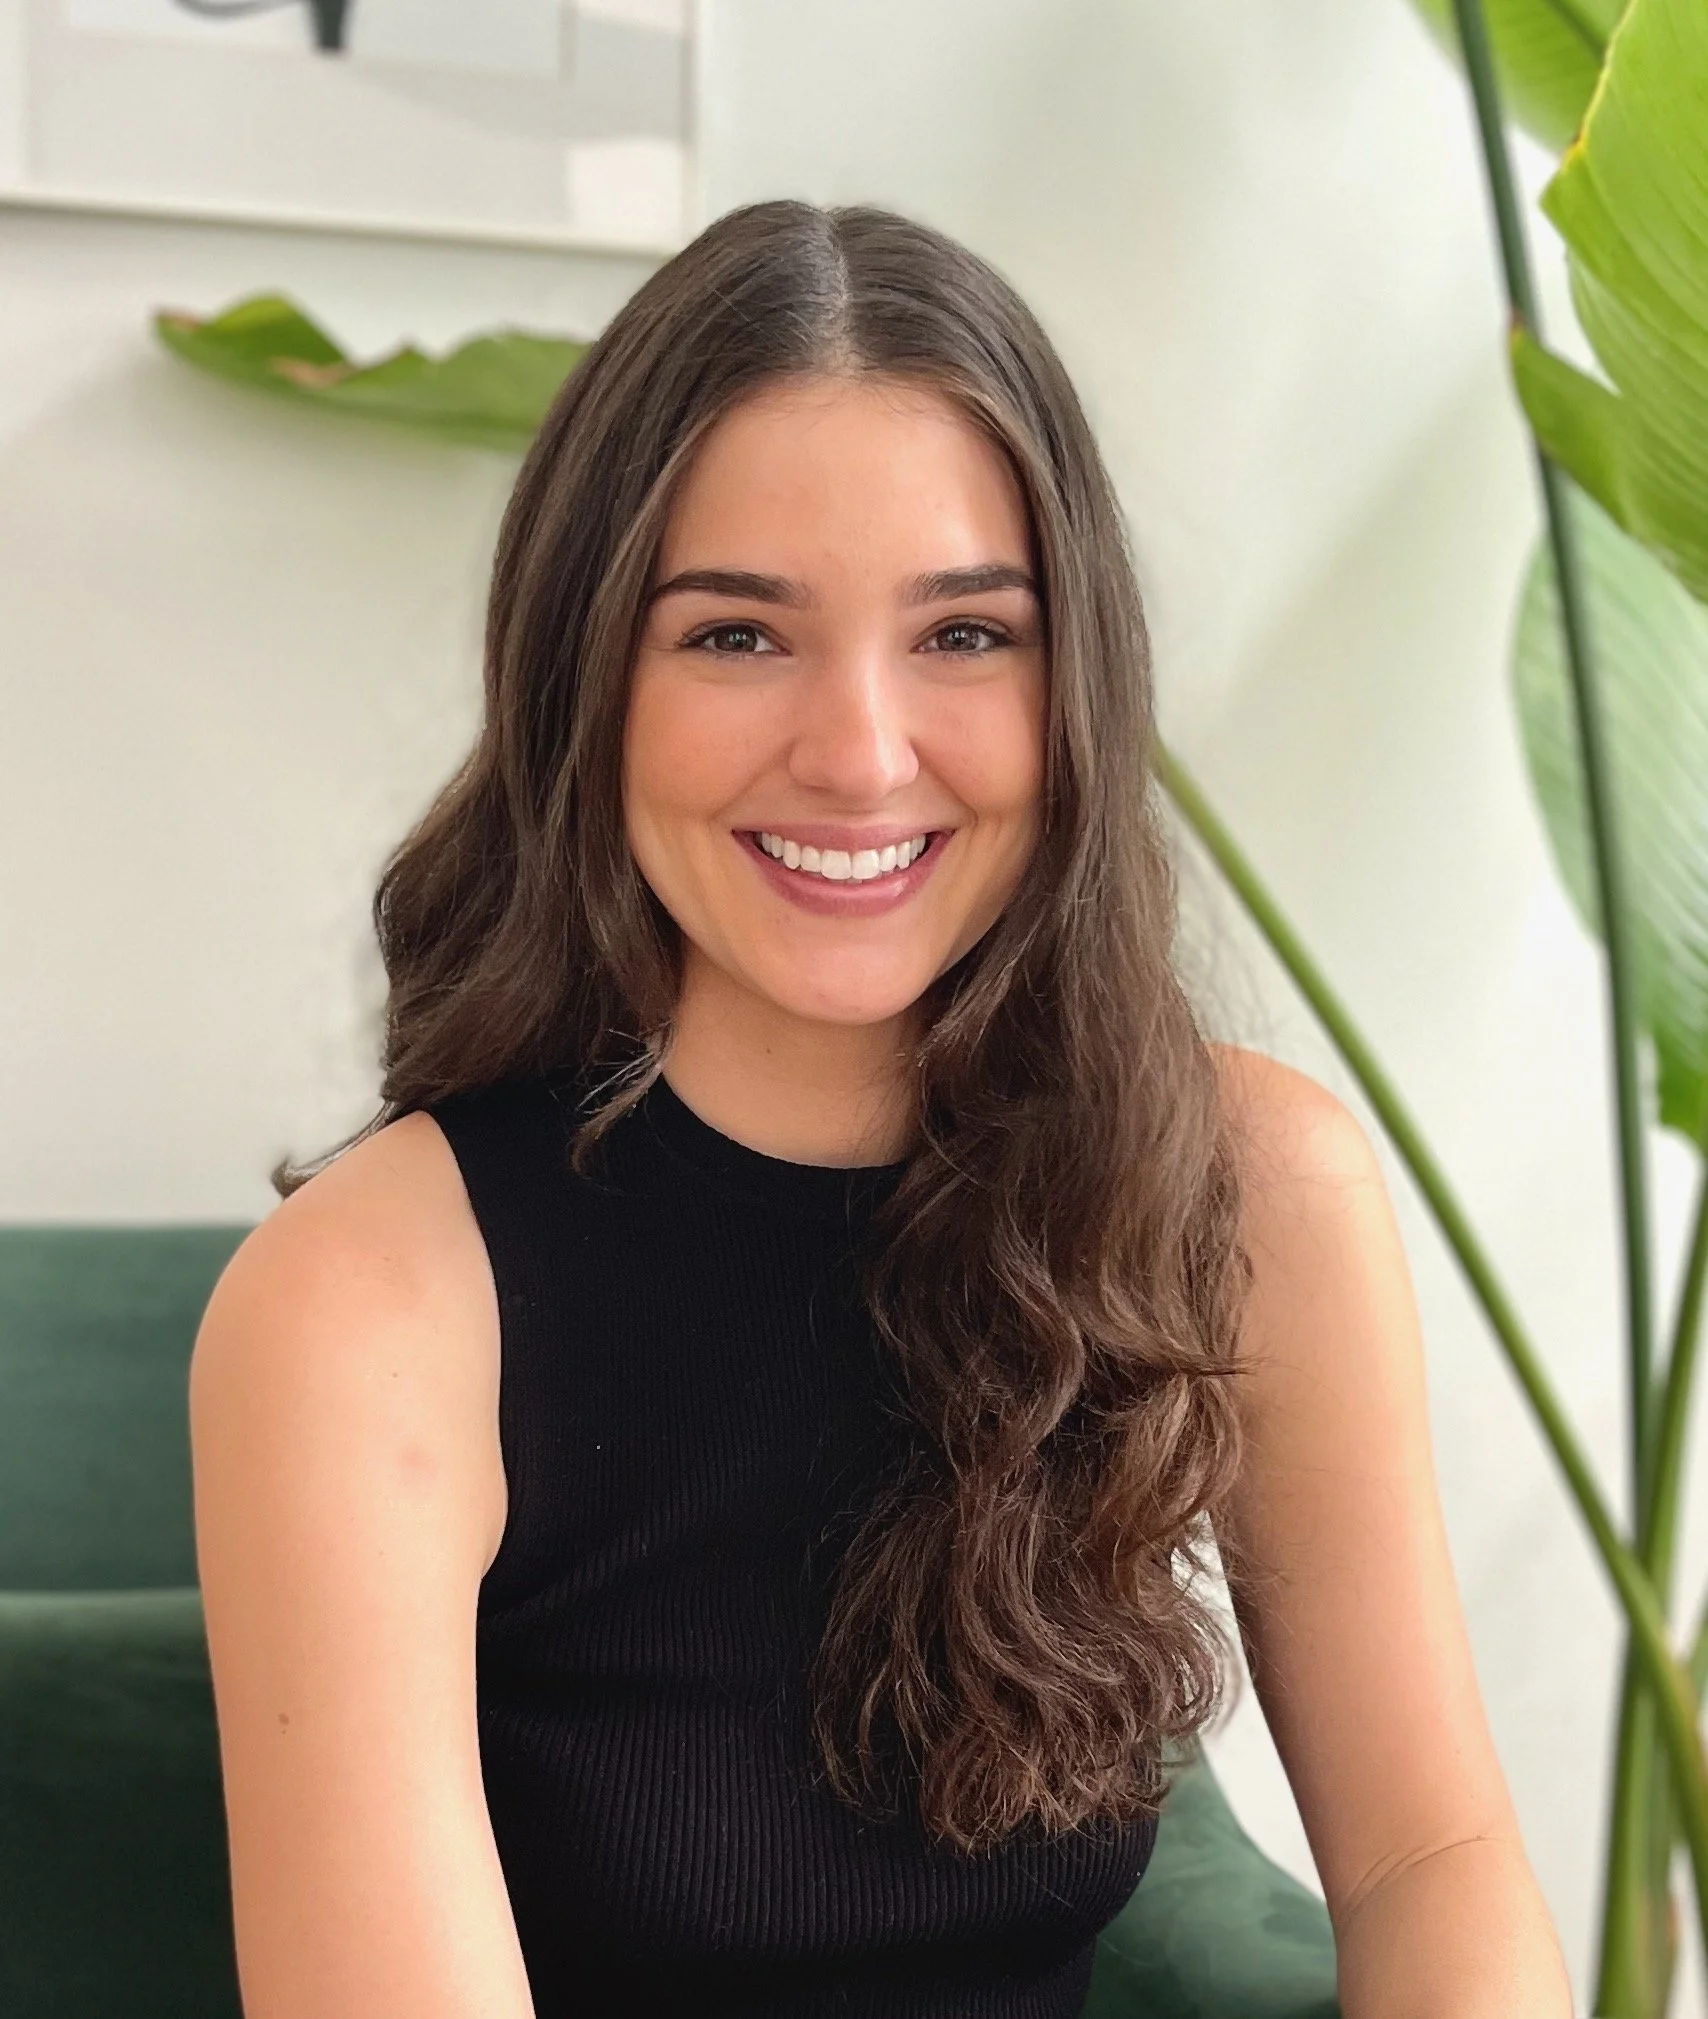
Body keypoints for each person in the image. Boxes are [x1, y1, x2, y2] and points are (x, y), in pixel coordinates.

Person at [187, 200, 1572, 2019]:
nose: (858, 750)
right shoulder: (364, 1305)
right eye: (739, 637)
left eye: (965, 636)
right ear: (584, 680)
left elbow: (1428, 1860)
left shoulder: (1255, 1190)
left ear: (1073, 679)